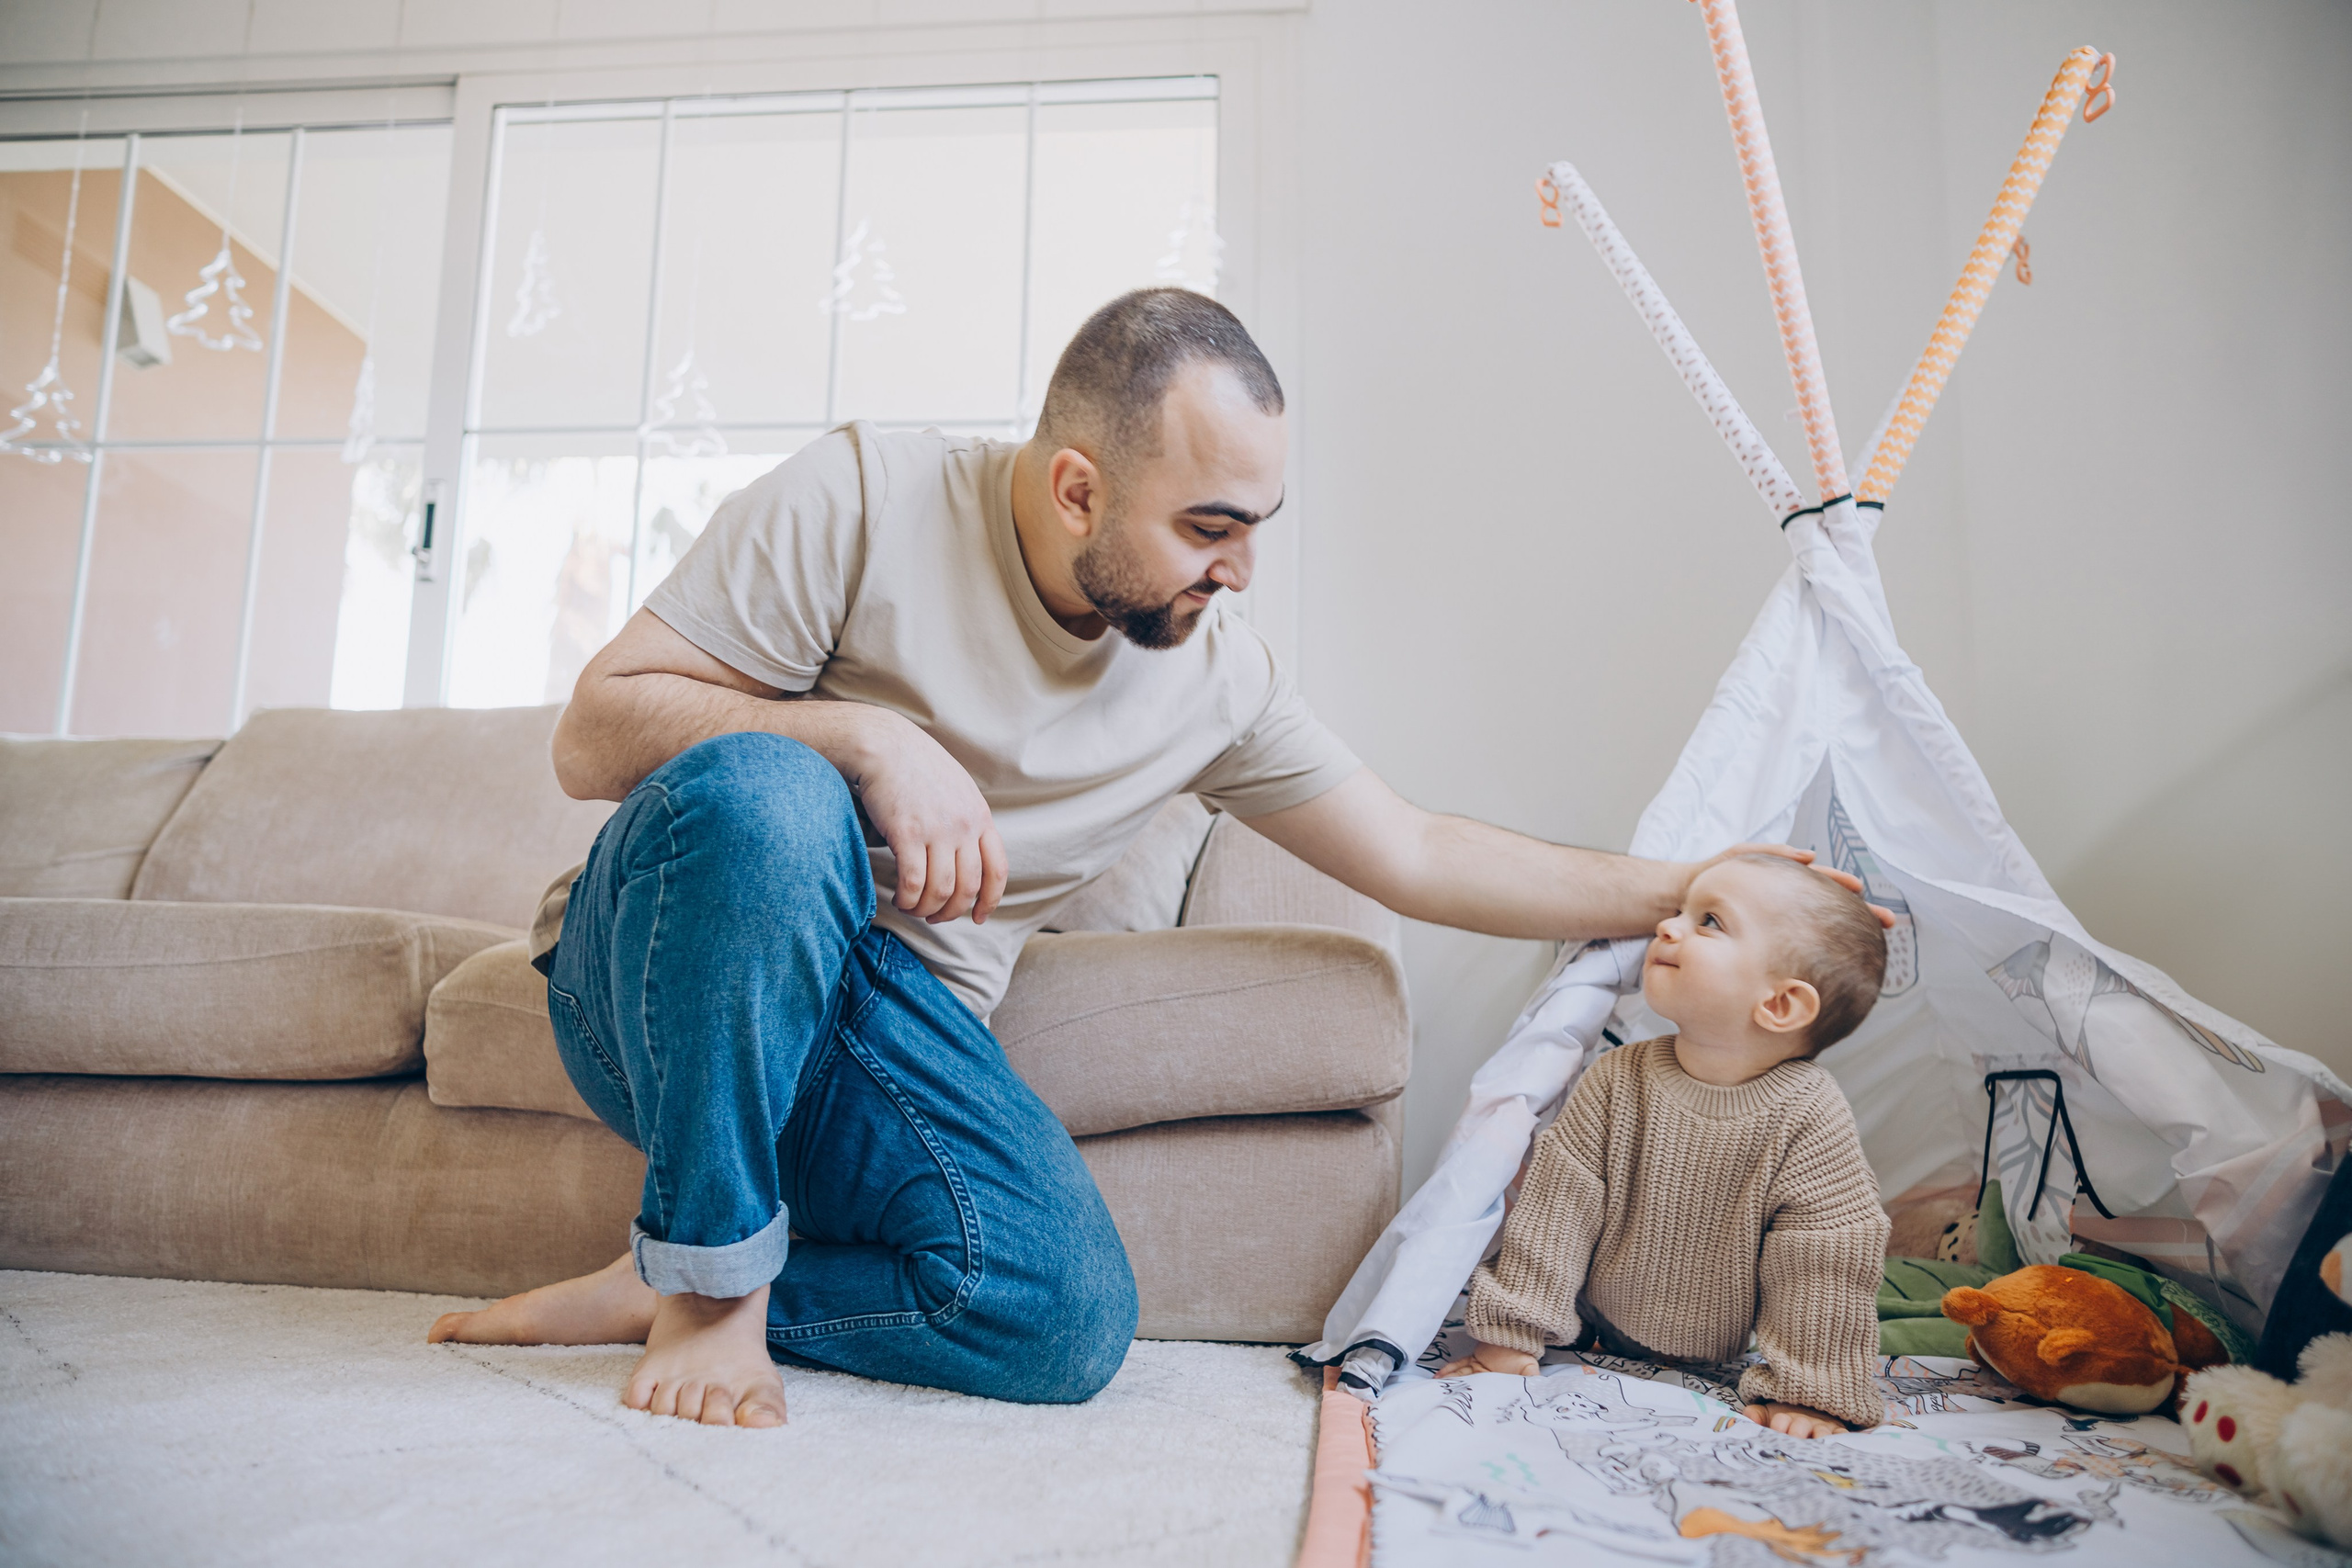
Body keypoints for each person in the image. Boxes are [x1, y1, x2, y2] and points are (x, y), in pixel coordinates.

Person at [427, 288, 1881, 1428]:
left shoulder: (1215, 674)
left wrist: (1707, 887)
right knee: (773, 788)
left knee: (1061, 1319)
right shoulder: (863, 494)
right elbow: (593, 736)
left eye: (1259, 529)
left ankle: (687, 1257)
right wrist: (863, 738)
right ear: (1074, 489)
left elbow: (1421, 851)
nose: (1240, 570)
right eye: (1208, 527)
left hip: (872, 1041)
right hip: (666, 979)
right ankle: (708, 1300)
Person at [1438, 853, 1893, 1438]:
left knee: (1824, 1245)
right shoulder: (1616, 1079)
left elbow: (1825, 1255)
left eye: (1710, 921)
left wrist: (1812, 1391)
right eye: (1680, 911)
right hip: (1597, 1322)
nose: (1668, 926)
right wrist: (1508, 1333)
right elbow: (1557, 1212)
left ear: (1779, 1004)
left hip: (1722, 1345)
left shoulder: (1808, 1113)